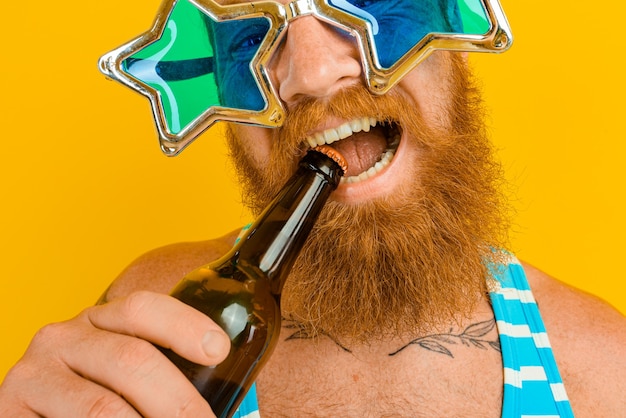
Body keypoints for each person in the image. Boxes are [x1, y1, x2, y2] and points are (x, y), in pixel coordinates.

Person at [1, 0, 624, 416]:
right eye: (247, 33)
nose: (313, 73)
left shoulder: (603, 376)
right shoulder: (158, 312)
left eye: (368, 3)